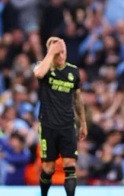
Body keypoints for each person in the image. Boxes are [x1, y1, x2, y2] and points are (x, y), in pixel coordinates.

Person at [34, 37, 88, 196]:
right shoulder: (44, 68)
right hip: (48, 125)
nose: (61, 54)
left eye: (63, 51)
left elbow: (77, 99)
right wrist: (51, 52)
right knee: (48, 168)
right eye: (58, 51)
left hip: (67, 124)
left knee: (69, 164)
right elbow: (38, 73)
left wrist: (83, 122)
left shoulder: (73, 71)